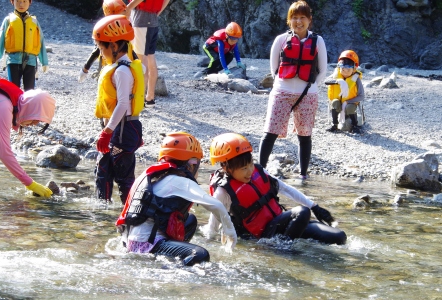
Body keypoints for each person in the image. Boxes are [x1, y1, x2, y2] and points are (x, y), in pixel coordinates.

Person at [115, 132, 237, 266]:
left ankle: (173, 257)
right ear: (191, 165)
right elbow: (217, 206)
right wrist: (230, 232)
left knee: (190, 220)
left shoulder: (152, 176)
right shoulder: (179, 181)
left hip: (129, 242)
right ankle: (172, 270)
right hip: (149, 246)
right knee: (200, 255)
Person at [203, 133, 346, 246]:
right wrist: (208, 242)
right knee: (302, 212)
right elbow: (213, 224)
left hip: (283, 225)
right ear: (226, 168)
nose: (249, 172)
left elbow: (286, 189)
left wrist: (315, 207)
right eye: (243, 168)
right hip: (265, 235)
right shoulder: (222, 192)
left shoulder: (258, 172)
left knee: (339, 237)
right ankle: (280, 249)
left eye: (250, 165)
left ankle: (284, 244)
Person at [258, 0, 327, 181]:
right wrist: (282, 85)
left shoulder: (318, 40)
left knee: (305, 135)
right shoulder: (281, 40)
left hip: (308, 94)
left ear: (309, 20)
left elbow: (323, 70)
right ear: (289, 20)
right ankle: (260, 171)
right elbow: (274, 69)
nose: (298, 21)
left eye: (302, 17)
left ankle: (303, 175)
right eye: (294, 18)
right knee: (270, 132)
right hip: (281, 92)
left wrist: (312, 86)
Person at [92, 15, 144, 204]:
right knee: (103, 170)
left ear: (113, 46)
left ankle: (130, 216)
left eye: (101, 47)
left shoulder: (122, 71)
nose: (101, 52)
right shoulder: (117, 67)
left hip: (122, 130)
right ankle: (102, 214)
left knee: (124, 177)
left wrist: (107, 131)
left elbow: (123, 104)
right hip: (120, 129)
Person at [0, 74, 55, 197]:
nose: (35, 124)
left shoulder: (13, 101)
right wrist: (30, 183)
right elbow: (4, 154)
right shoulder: (3, 106)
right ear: (30, 108)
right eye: (37, 118)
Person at [0, 0, 49, 91]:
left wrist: (44, 62)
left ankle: (28, 105)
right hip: (13, 60)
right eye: (18, 1)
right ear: (12, 2)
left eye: (24, 1)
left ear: (30, 2)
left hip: (30, 61)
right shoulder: (8, 20)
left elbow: (41, 41)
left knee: (30, 92)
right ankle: (14, 106)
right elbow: (1, 41)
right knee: (13, 91)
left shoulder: (34, 21)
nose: (21, 4)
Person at [78, 0, 139, 83]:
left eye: (125, 11)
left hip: (123, 66)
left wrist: (138, 64)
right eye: (122, 13)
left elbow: (130, 49)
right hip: (109, 66)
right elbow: (96, 52)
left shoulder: (123, 30)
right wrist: (85, 68)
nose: (126, 15)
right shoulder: (107, 32)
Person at [124, 0, 171, 108]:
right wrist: (157, 13)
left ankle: (139, 99)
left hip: (142, 22)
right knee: (150, 57)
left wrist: (128, 9)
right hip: (153, 22)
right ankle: (150, 97)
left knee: (141, 60)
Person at [326, 50, 364, 134]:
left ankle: (354, 126)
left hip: (350, 104)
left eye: (348, 67)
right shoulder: (336, 76)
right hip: (338, 104)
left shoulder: (356, 79)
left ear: (354, 68)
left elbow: (361, 96)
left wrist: (347, 102)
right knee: (335, 102)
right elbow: (326, 81)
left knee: (349, 107)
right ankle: (335, 125)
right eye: (342, 67)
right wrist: (338, 81)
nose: (344, 70)